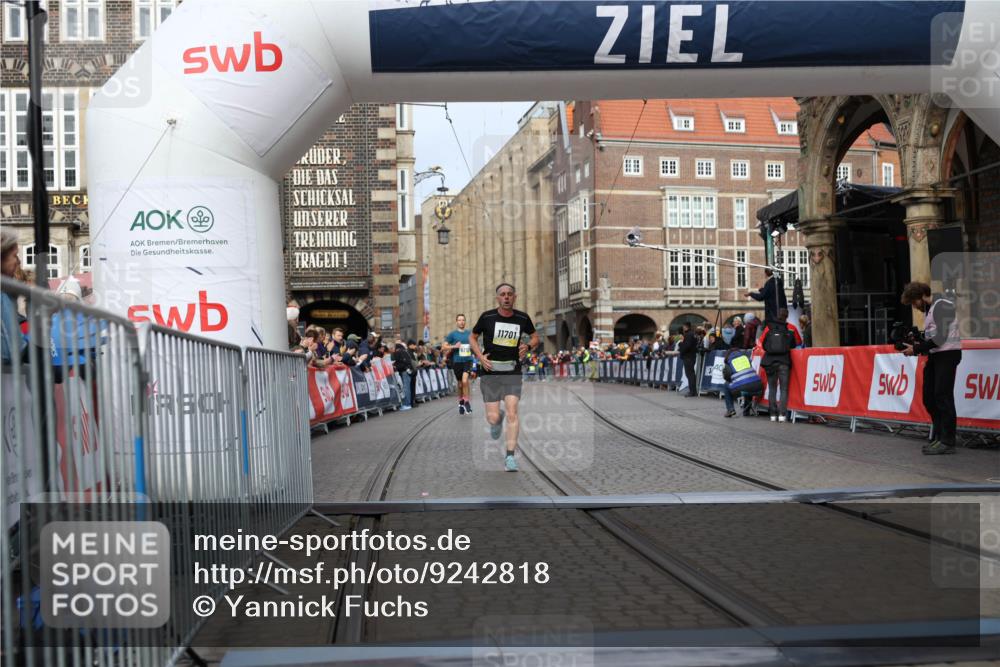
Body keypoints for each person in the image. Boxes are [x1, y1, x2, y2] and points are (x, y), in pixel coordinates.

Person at [470, 283, 538, 472]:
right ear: (497, 298)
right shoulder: (487, 317)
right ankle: (496, 420)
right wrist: (480, 356)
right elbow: (472, 337)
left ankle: (510, 457)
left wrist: (529, 346)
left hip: (512, 370)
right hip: (491, 371)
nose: (506, 297)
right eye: (503, 294)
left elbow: (535, 337)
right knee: (492, 417)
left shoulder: (522, 318)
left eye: (509, 294)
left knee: (512, 412)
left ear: (514, 297)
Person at [900, 281, 962, 455]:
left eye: (914, 303)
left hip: (948, 354)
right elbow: (933, 335)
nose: (914, 307)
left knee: (943, 396)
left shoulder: (943, 305)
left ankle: (948, 441)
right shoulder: (930, 307)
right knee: (929, 397)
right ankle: (939, 435)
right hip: (936, 355)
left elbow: (941, 336)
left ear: (920, 296)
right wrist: (917, 341)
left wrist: (917, 349)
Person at [759, 308, 798, 422]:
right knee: (784, 389)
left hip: (770, 362)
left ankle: (772, 414)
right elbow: (794, 345)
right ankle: (782, 414)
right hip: (784, 362)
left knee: (772, 388)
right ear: (787, 316)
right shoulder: (790, 331)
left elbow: (764, 346)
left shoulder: (769, 330)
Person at [721, 341, 764, 418]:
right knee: (748, 381)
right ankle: (746, 411)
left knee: (726, 385)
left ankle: (730, 409)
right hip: (758, 388)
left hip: (743, 389)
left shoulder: (729, 362)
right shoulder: (746, 358)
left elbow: (727, 377)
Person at [443, 313, 475, 415]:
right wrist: (454, 347)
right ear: (456, 322)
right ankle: (461, 402)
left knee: (465, 380)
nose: (461, 322)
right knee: (460, 384)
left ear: (465, 321)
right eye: (459, 320)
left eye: (463, 320)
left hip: (468, 360)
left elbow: (474, 345)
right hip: (457, 362)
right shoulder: (452, 334)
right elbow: (444, 347)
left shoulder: (470, 333)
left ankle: (466, 401)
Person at [392, 339, 415, 410]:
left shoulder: (399, 352)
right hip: (409, 371)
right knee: (407, 388)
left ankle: (407, 404)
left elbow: (402, 363)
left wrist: (395, 366)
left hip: (405, 371)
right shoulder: (405, 351)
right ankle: (408, 403)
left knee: (406, 388)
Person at [677, 322, 699, 397]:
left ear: (685, 327)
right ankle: (693, 391)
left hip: (688, 356)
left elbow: (687, 346)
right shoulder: (692, 334)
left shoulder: (688, 335)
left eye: (683, 327)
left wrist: (680, 345)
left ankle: (692, 391)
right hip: (691, 356)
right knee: (691, 374)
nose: (683, 328)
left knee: (690, 374)